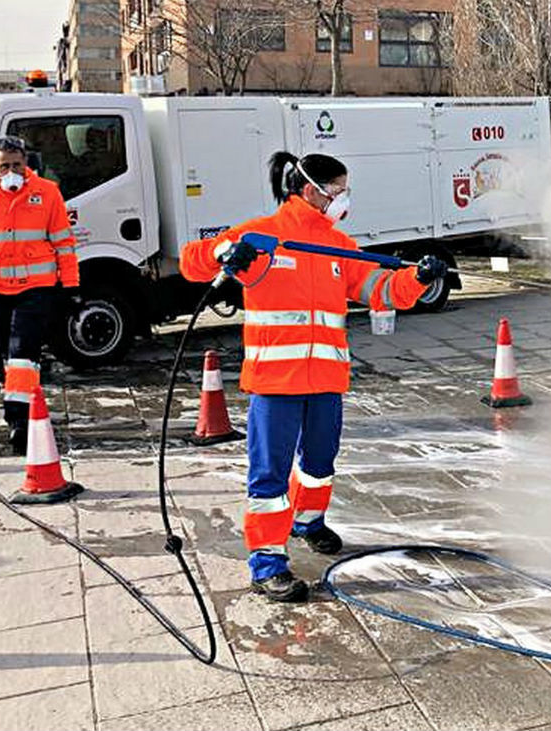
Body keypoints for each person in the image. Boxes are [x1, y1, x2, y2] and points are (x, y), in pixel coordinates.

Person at [179, 152, 446, 602]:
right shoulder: (261, 235)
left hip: (325, 381)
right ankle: (267, 564)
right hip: (275, 384)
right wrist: (227, 252)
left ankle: (308, 522)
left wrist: (417, 278)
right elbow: (192, 262)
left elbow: (380, 290)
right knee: (270, 477)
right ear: (311, 190)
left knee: (319, 465)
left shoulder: (338, 246)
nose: (344, 200)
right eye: (338, 191)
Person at [0, 136, 80, 455]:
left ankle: (19, 422)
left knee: (21, 351)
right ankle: (26, 401)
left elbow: (64, 242)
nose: (11, 171)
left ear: (27, 164)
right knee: (8, 357)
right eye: (4, 165)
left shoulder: (47, 192)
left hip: (35, 288)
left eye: (17, 165)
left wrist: (71, 284)